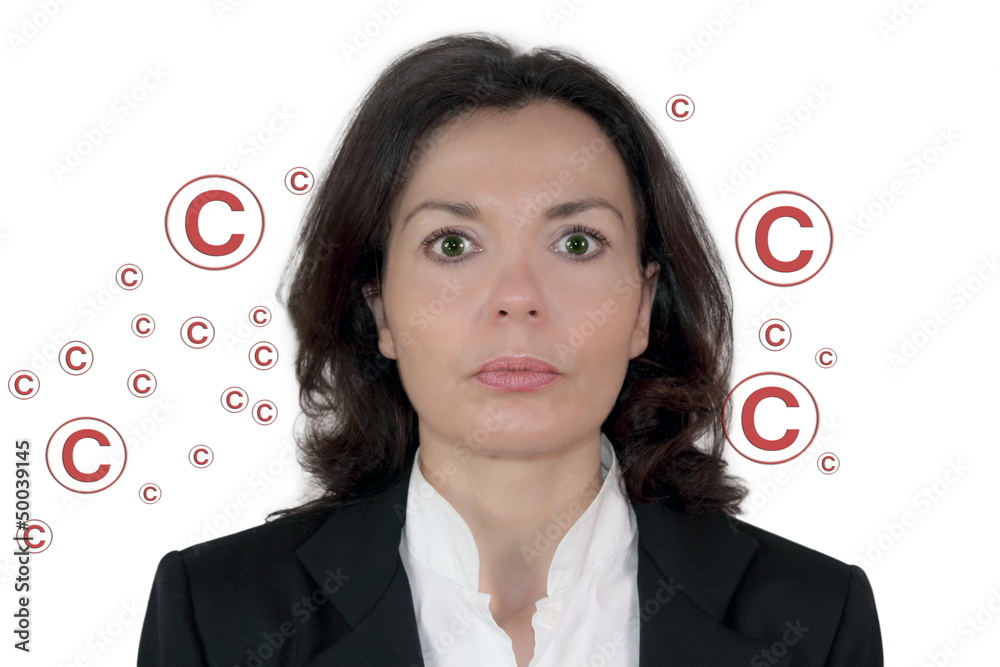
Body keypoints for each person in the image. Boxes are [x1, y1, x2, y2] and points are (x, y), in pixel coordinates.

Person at [137, 32, 883, 666]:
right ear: (379, 307)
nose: (518, 297)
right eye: (453, 244)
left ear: (642, 305)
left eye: (577, 242)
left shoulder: (812, 620)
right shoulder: (218, 615)